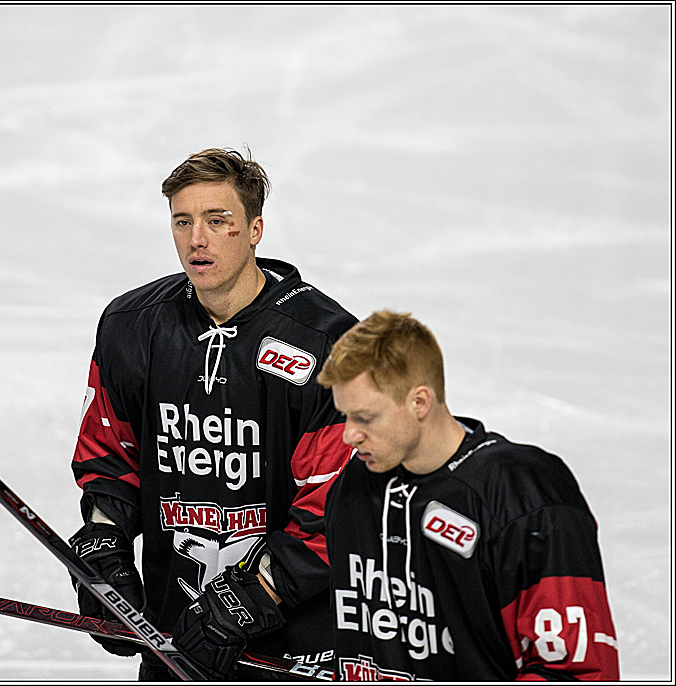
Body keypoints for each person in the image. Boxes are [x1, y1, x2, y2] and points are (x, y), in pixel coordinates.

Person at [68, 148, 358, 680]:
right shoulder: (132, 327)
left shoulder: (326, 345)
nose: (196, 239)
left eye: (217, 221)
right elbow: (110, 456)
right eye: (183, 221)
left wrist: (253, 594)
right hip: (178, 638)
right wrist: (104, 544)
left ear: (255, 229)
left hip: (291, 652)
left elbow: (338, 509)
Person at [316, 310, 621, 680]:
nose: (349, 435)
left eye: (365, 417)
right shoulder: (355, 487)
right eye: (345, 416)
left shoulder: (524, 493)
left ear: (420, 402)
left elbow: (576, 670)